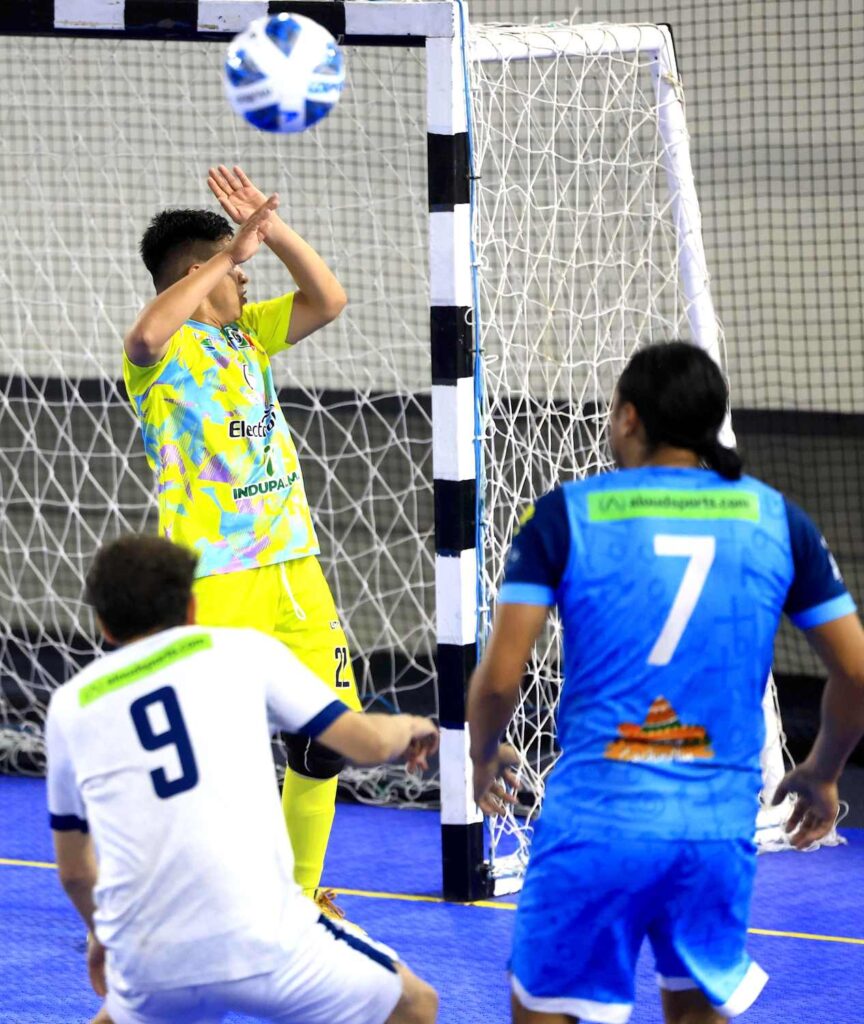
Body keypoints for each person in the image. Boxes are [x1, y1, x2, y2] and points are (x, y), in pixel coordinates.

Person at [467, 341, 864, 1024]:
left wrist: (483, 752)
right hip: (713, 829)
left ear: (628, 417)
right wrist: (823, 771)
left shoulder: (565, 514)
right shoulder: (776, 518)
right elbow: (855, 671)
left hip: (597, 820)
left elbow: (501, 680)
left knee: (546, 1009)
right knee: (694, 1010)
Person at [47, 534, 439, 1024]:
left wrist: (106, 934)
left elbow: (75, 873)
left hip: (153, 951)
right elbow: (369, 745)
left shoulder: (70, 706)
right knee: (415, 1005)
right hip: (262, 937)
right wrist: (413, 726)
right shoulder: (244, 653)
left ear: (103, 626)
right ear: (193, 608)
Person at [122, 165, 359, 916]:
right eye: (235, 269)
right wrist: (229, 252)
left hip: (294, 568)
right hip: (214, 580)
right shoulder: (164, 359)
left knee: (327, 738)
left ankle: (297, 897)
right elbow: (145, 333)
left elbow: (329, 299)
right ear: (196, 275)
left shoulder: (246, 337)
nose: (248, 278)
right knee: (203, 756)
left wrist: (271, 229)